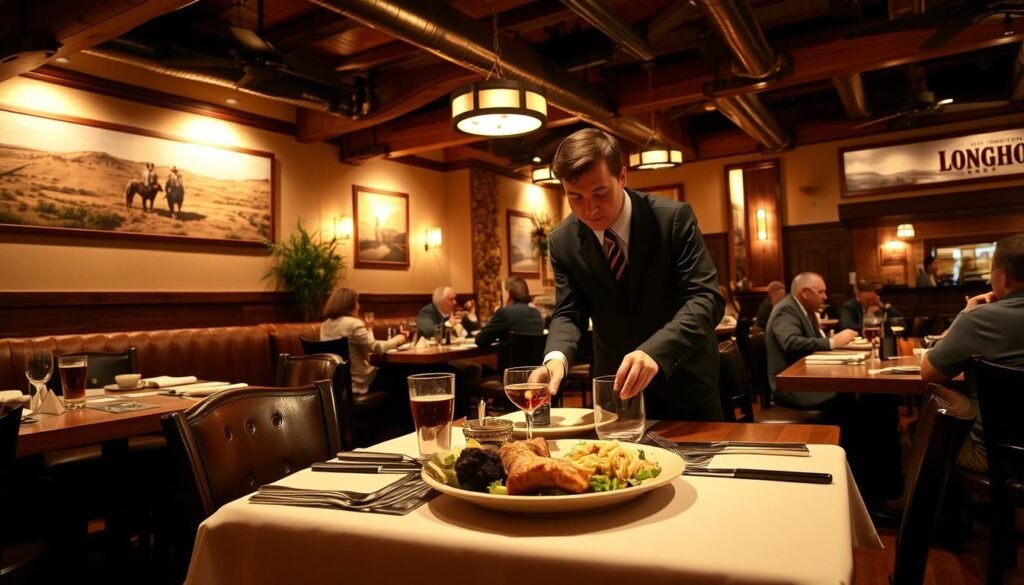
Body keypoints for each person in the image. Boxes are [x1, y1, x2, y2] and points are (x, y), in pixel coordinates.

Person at [539, 128, 726, 421]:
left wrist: (654, 351)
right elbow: (568, 312)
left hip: (683, 382)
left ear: (622, 177)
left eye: (600, 192)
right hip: (615, 389)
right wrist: (556, 358)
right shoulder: (563, 240)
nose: (589, 209)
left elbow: (706, 299)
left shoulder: (671, 219)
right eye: (575, 197)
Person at [922, 234, 1024, 473]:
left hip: (996, 454)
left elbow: (928, 373)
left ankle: (953, 509)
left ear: (1003, 276)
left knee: (927, 430)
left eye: (992, 269)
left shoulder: (979, 319)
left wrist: (964, 315)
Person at [766, 272, 858, 408]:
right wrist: (832, 342)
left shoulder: (803, 309)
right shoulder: (786, 309)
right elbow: (791, 342)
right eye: (820, 292)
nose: (825, 297)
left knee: (851, 393)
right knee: (849, 397)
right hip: (791, 386)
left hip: (805, 377)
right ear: (805, 292)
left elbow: (814, 341)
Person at [321, 287, 408, 394]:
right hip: (360, 382)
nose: (359, 306)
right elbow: (376, 348)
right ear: (350, 305)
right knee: (404, 374)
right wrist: (398, 339)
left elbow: (365, 347)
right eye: (356, 302)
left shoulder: (324, 326)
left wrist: (369, 329)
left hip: (337, 386)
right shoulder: (353, 323)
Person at [475, 276, 544, 347]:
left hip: (510, 357)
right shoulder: (536, 313)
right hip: (536, 358)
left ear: (508, 293)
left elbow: (480, 340)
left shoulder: (504, 313)